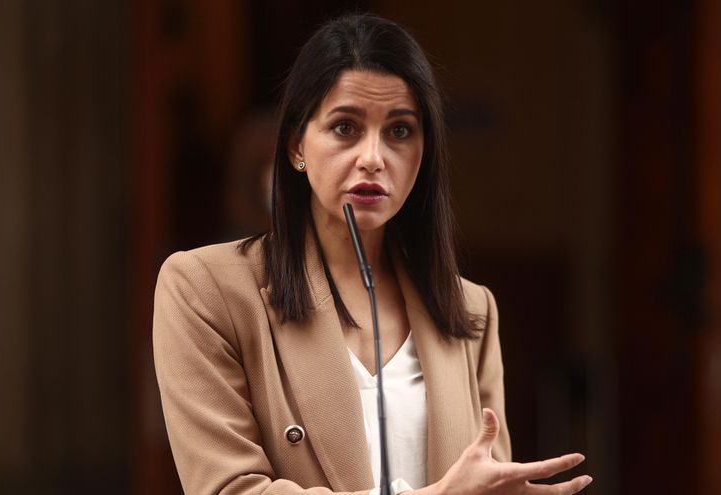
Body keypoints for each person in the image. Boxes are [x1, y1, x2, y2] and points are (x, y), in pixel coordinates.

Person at [153, 13, 593, 495]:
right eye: (345, 127)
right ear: (297, 144)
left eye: (400, 131)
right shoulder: (204, 289)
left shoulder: (470, 310)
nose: (373, 157)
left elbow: (485, 482)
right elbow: (227, 488)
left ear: (424, 153)